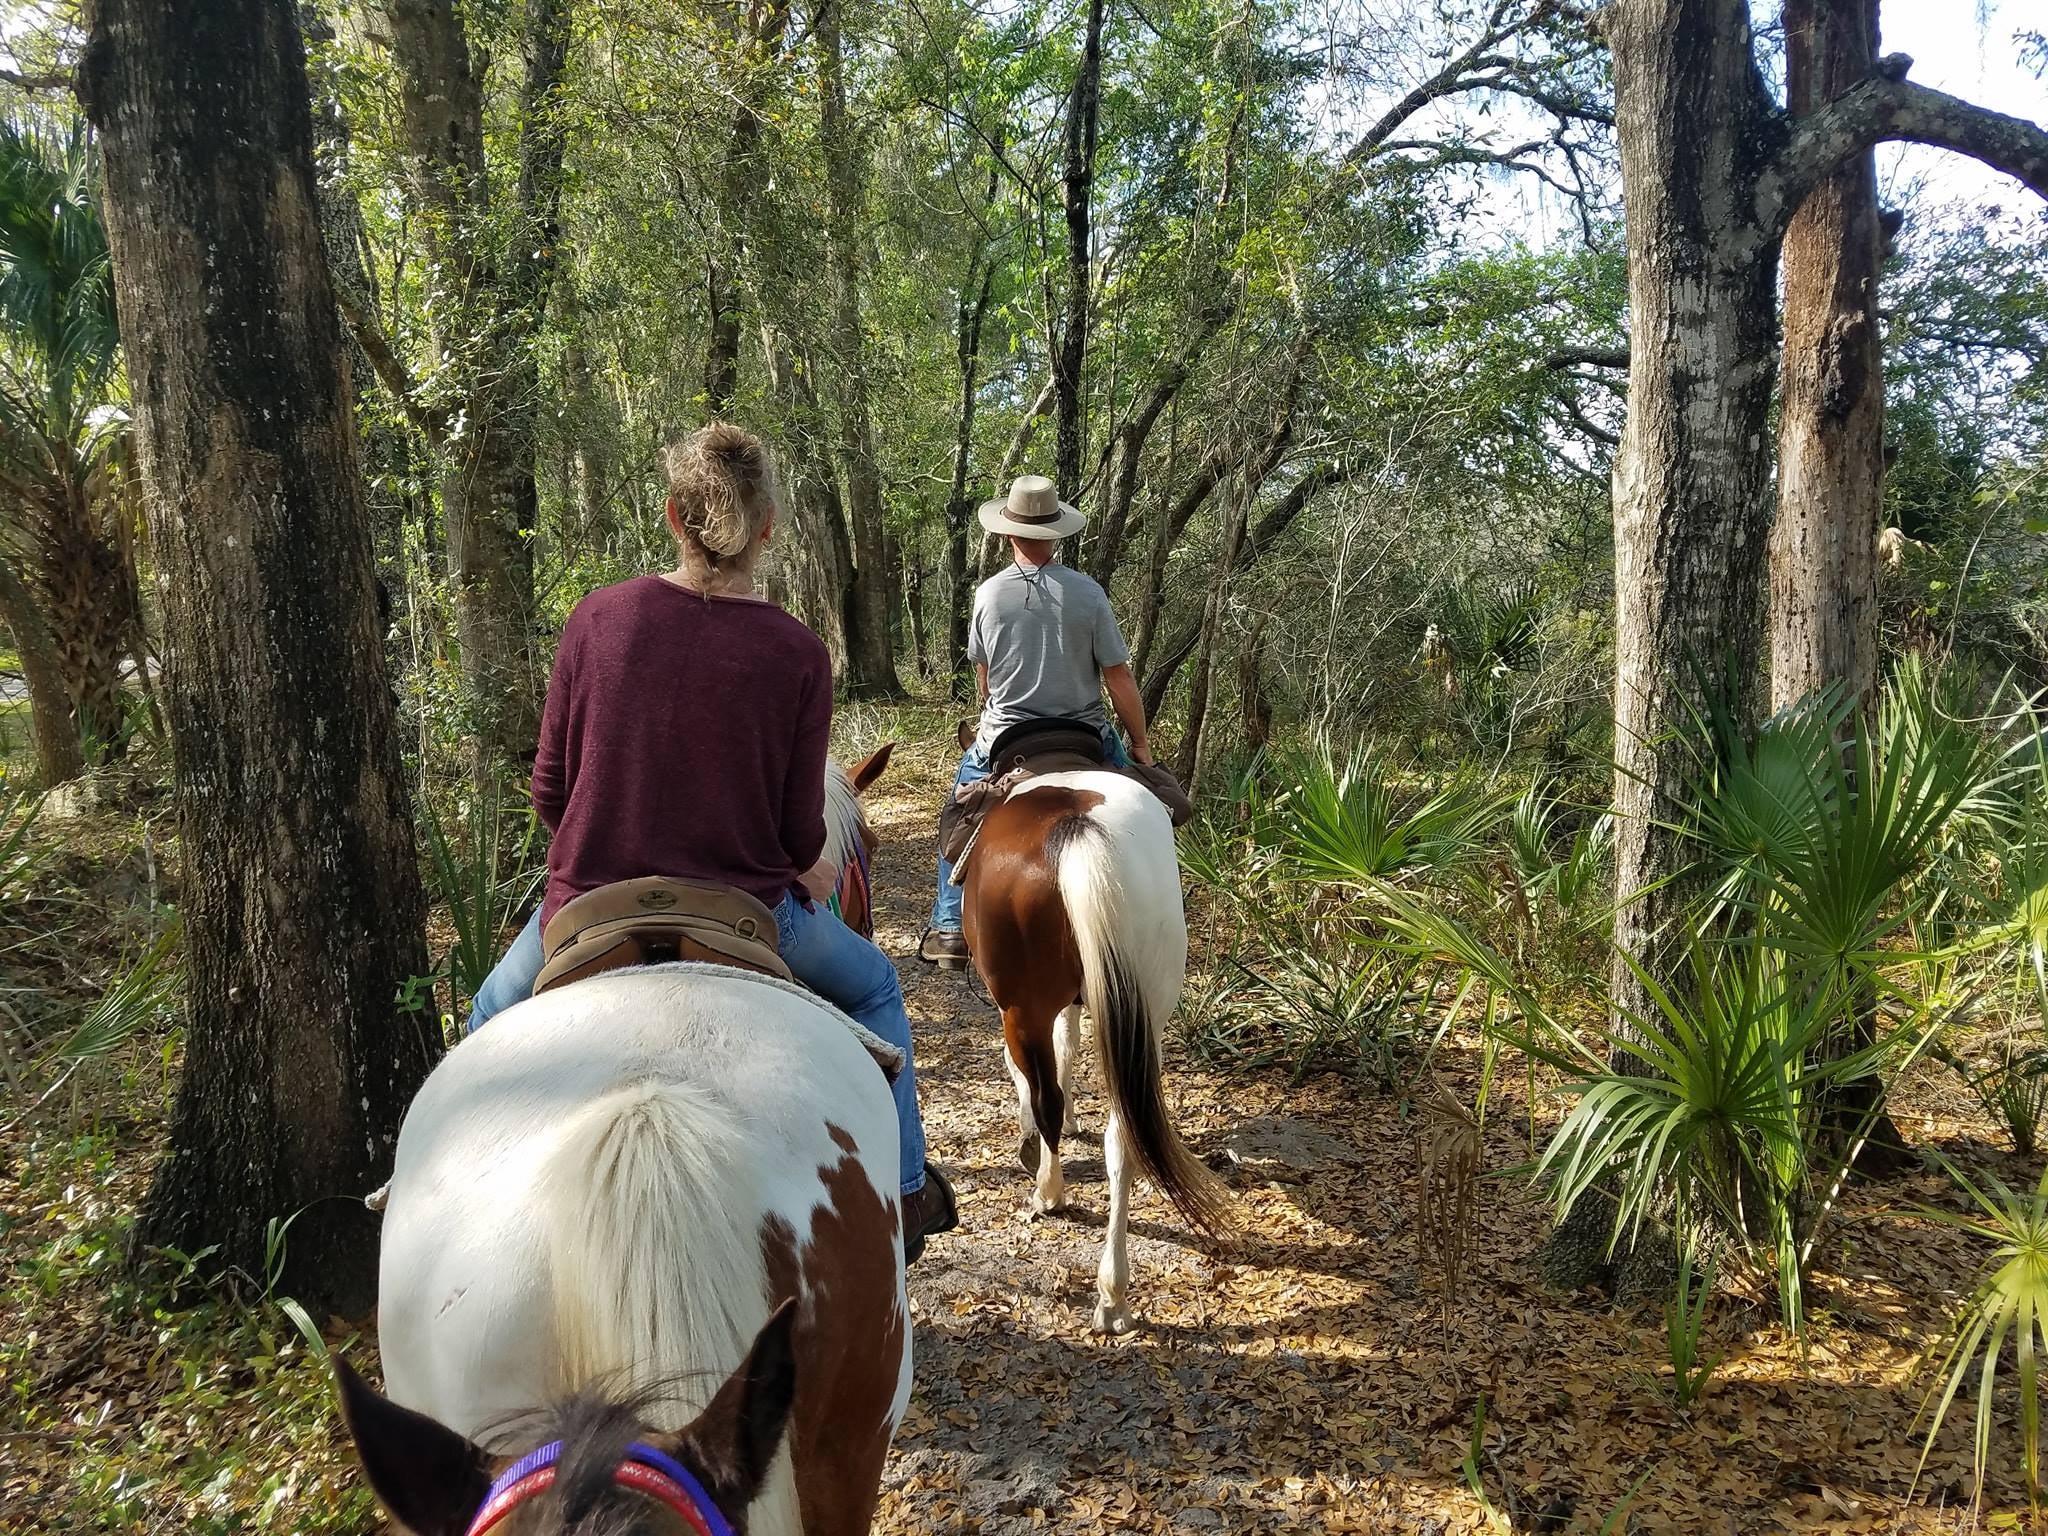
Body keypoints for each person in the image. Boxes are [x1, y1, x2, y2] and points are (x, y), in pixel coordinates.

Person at [466, 423, 958, 1259]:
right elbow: (801, 834)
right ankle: (908, 1195)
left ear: (672, 516)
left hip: (589, 909)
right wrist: (811, 861)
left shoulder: (595, 619)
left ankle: (457, 1206)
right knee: (875, 985)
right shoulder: (798, 653)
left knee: (488, 1012)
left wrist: (608, 845)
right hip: (745, 912)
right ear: (766, 528)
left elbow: (549, 790)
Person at [919, 473, 1155, 968]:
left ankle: (947, 927)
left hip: (1006, 735)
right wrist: (1140, 745)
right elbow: (1119, 678)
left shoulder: (987, 595)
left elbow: (985, 682)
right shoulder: (1089, 594)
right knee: (1154, 806)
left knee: (957, 810)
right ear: (1055, 534)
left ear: (1008, 533)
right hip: (1085, 733)